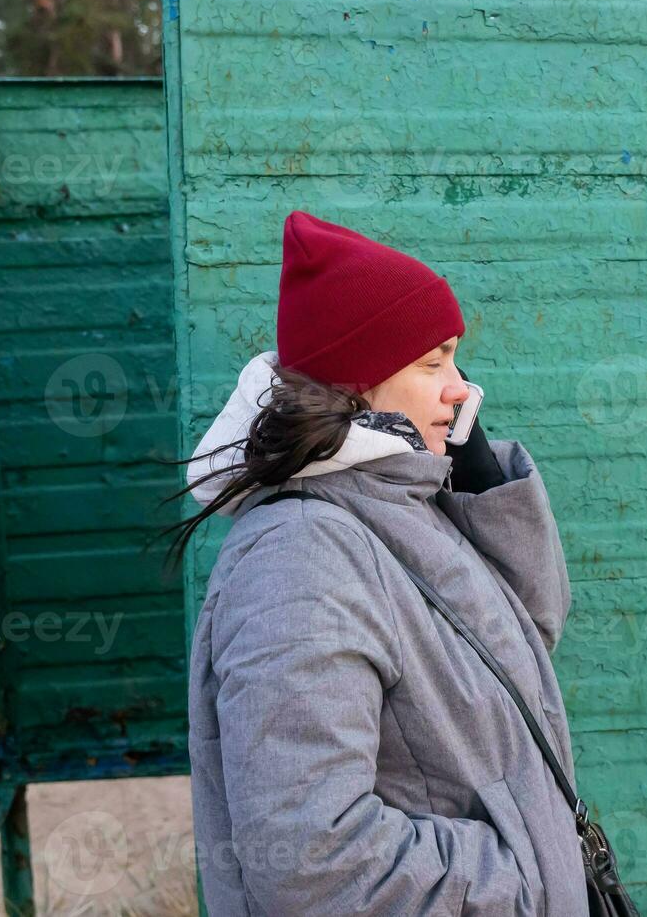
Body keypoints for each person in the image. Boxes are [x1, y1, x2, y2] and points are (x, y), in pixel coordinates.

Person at [167, 210, 587, 915]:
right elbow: (312, 863)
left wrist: (479, 481)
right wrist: (526, 877)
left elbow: (525, 641)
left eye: (455, 359)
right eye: (432, 362)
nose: (461, 388)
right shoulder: (298, 564)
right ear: (358, 385)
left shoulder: (397, 502)